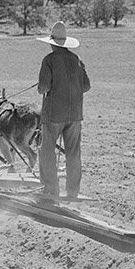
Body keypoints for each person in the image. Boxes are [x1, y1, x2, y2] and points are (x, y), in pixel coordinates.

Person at [35, 21, 90, 201]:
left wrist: (47, 86)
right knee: (73, 153)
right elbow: (86, 86)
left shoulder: (49, 60)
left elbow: (43, 88)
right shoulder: (76, 59)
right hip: (75, 115)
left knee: (47, 152)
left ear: (51, 43)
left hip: (53, 116)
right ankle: (72, 193)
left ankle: (51, 191)